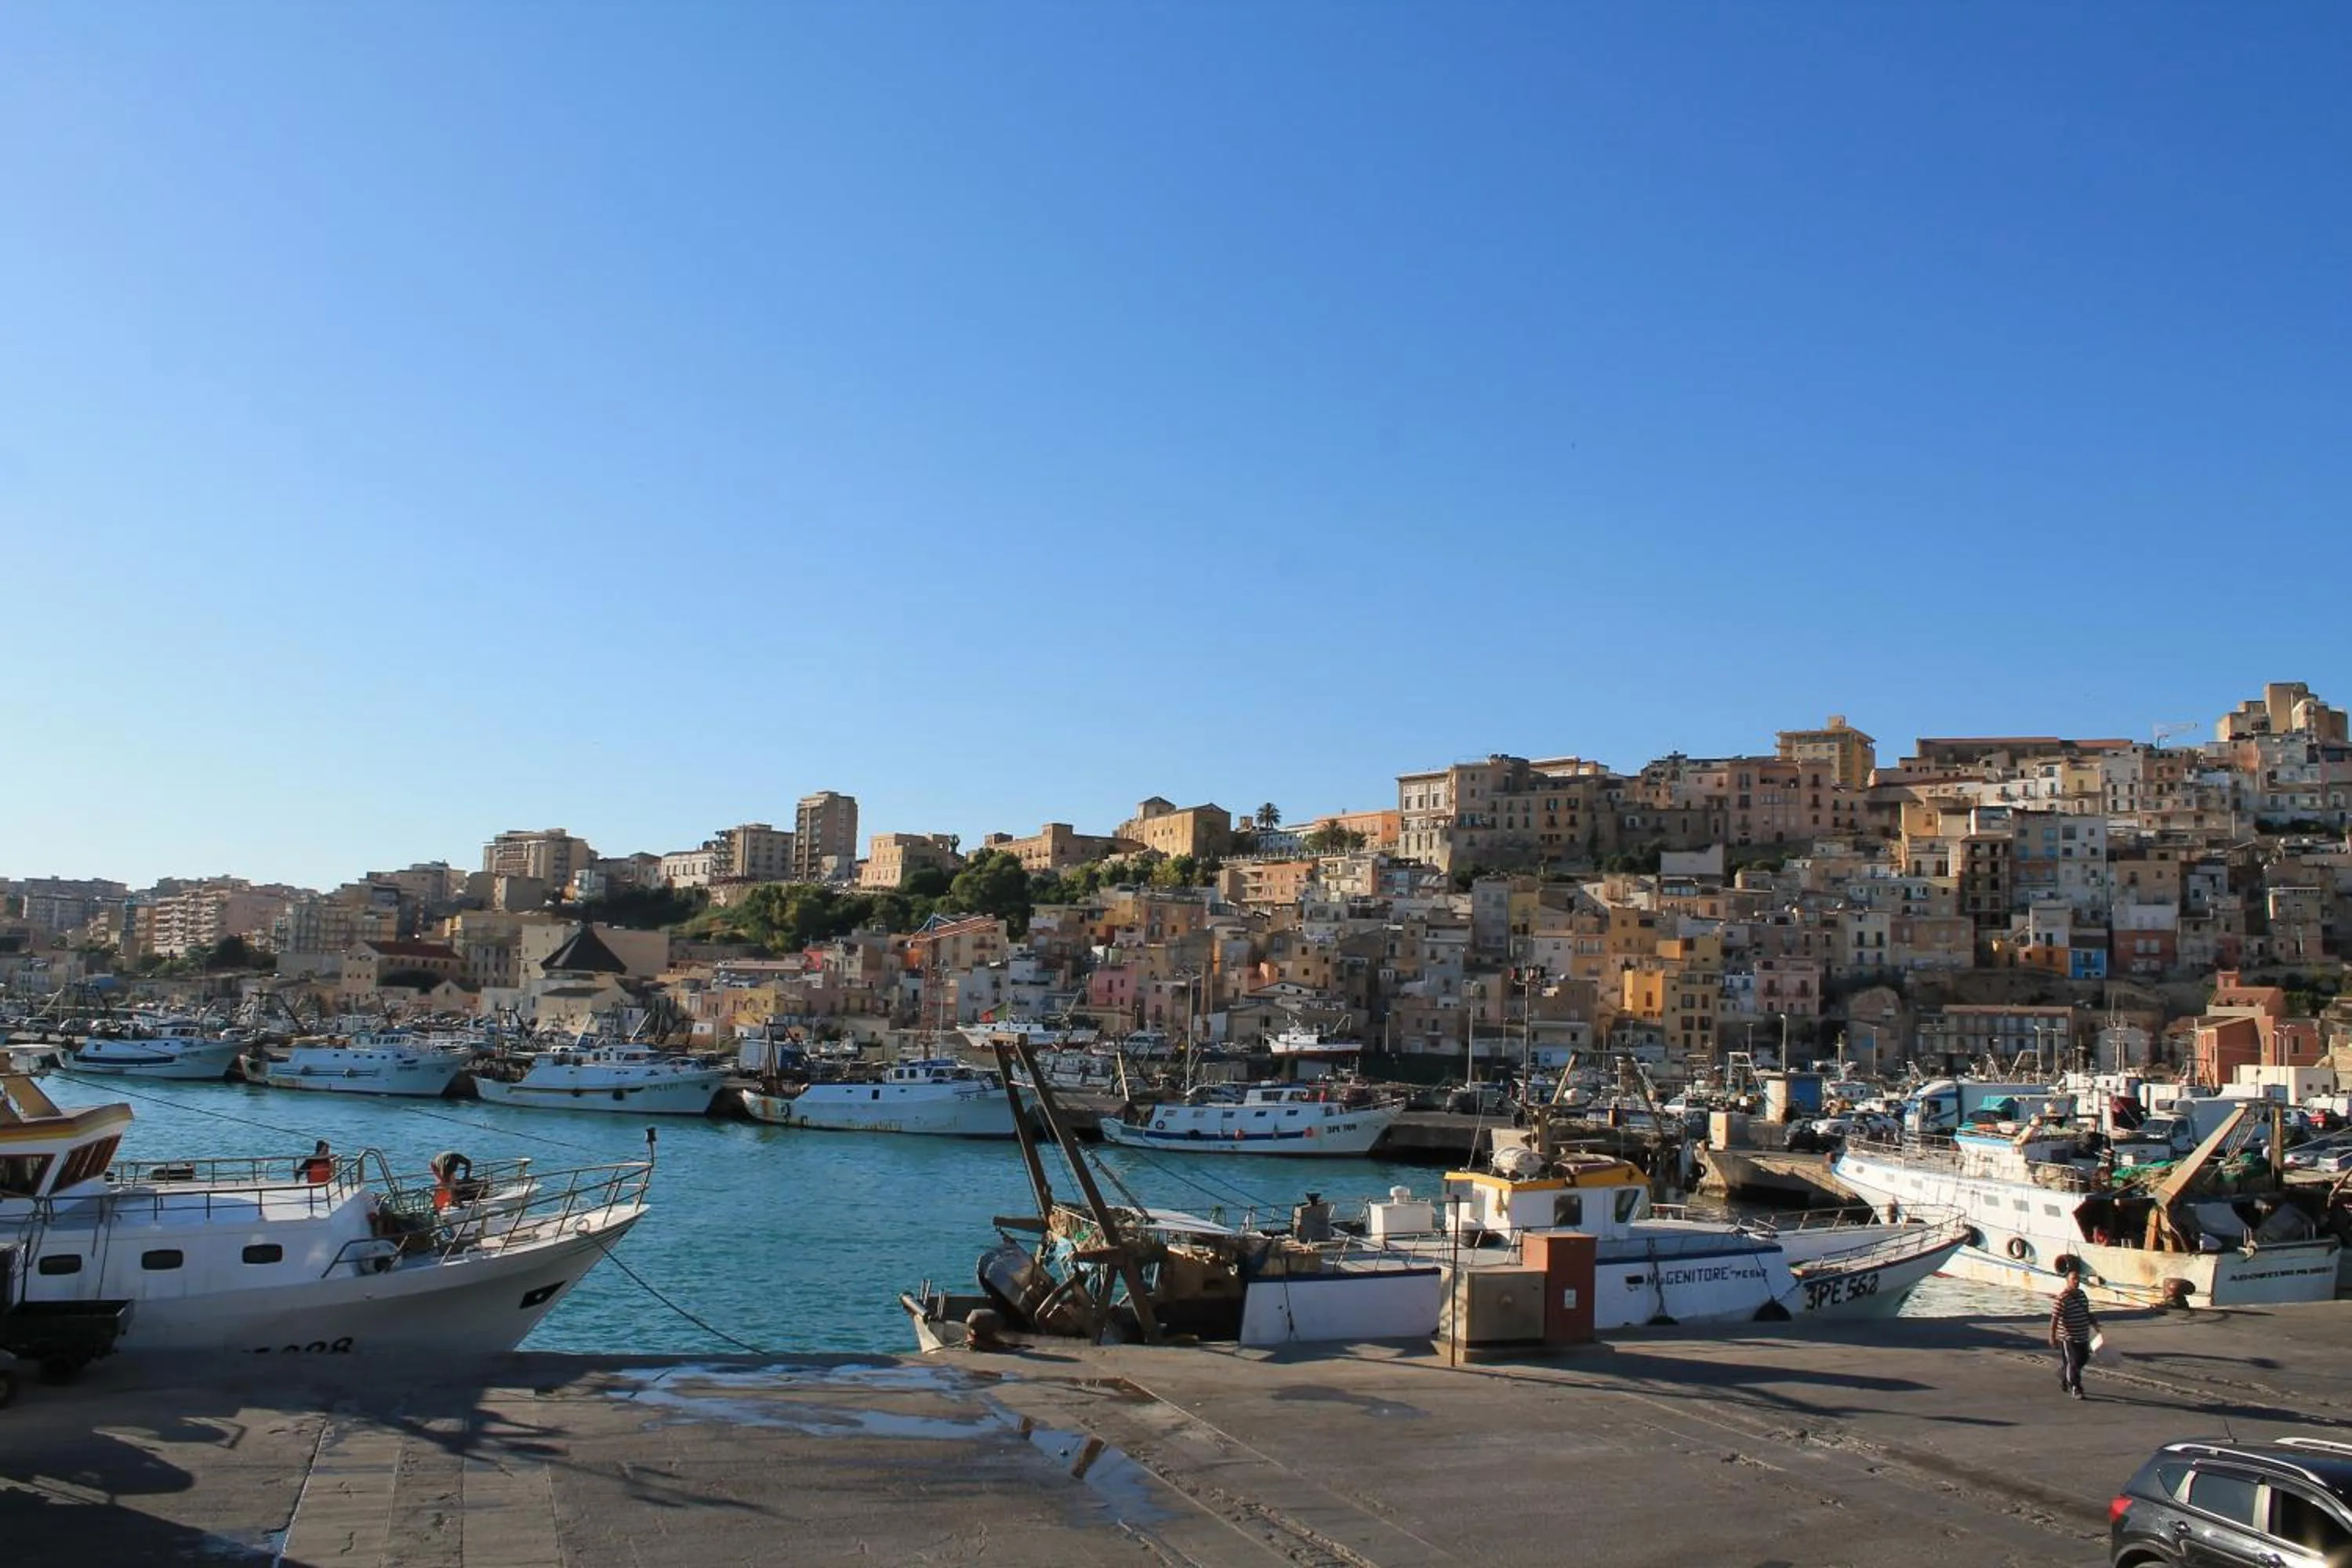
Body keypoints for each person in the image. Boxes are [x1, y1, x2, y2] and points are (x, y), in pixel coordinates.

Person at [2050, 1255, 2097, 1399]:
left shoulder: (2082, 1295)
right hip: (2069, 1337)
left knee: (2083, 1358)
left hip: (2083, 1335)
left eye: (2078, 1279)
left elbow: (2087, 1312)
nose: (2076, 1282)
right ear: (2068, 1281)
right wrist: (2052, 1336)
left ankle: (2064, 1374)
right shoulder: (2062, 1299)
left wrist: (2096, 1327)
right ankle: (2076, 1387)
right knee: (2074, 1363)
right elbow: (2055, 1319)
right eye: (2073, 1280)